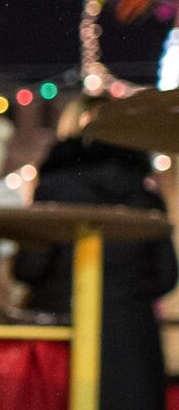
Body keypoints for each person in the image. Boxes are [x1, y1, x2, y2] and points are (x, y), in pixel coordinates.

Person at [13, 105, 177, 410]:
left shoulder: (54, 189)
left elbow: (29, 267)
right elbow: (165, 276)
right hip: (133, 341)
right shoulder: (147, 199)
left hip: (63, 333)